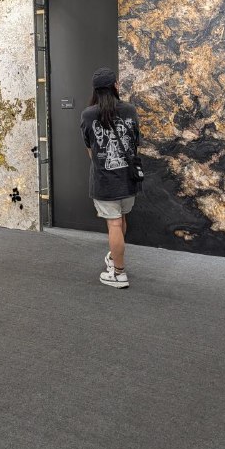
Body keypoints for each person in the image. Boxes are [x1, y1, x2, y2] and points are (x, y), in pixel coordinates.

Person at [80, 68, 140, 288]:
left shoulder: (88, 114)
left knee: (114, 223)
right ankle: (115, 259)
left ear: (95, 90)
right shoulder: (130, 110)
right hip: (128, 178)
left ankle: (119, 274)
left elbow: (90, 149)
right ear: (115, 86)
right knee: (121, 220)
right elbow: (135, 143)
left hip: (104, 180)